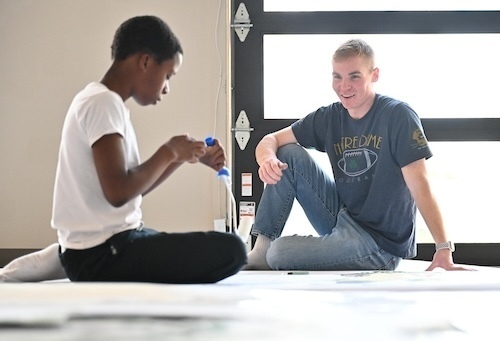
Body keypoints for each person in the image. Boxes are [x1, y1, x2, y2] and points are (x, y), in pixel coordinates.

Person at [1, 15, 246, 283]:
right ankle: (68, 255)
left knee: (206, 246)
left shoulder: (102, 101)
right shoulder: (102, 104)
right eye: (167, 75)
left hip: (113, 244)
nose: (166, 88)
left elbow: (131, 189)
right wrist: (168, 151)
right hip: (105, 253)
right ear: (145, 61)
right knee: (232, 249)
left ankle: (66, 253)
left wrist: (182, 157)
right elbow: (118, 192)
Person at [244, 38, 466, 271]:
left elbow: (420, 183)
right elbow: (270, 140)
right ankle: (261, 249)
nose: (344, 86)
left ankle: (276, 252)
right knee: (287, 153)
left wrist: (443, 247)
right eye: (337, 77)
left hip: (380, 245)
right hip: (344, 218)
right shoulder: (330, 117)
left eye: (354, 76)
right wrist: (267, 159)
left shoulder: (398, 115)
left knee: (280, 254)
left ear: (374, 75)